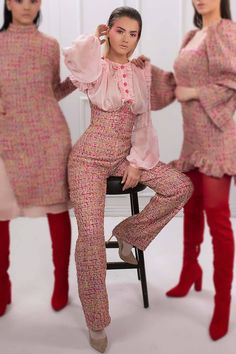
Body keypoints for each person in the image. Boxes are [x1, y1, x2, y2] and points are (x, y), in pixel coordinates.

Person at [63, 6, 193, 352]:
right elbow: (76, 59)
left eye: (133, 34)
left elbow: (143, 123)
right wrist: (96, 37)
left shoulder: (140, 72)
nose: (127, 40)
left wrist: (136, 161)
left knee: (180, 186)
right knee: (90, 235)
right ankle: (96, 321)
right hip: (88, 158)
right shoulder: (95, 68)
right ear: (110, 31)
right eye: (120, 31)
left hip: (126, 156)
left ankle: (126, 233)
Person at [163, 0, 236, 341]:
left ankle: (223, 303)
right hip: (192, 137)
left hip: (217, 137)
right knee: (190, 208)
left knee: (216, 216)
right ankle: (189, 271)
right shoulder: (192, 34)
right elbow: (176, 80)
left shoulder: (225, 31)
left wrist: (192, 92)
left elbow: (232, 79)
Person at [0, 0, 76, 316]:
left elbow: (51, 92)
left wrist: (82, 75)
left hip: (50, 136)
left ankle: (62, 284)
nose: (27, 6)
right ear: (7, 3)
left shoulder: (49, 46)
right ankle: (2, 288)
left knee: (57, 211)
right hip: (8, 137)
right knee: (2, 214)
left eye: (33, 0)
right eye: (19, 0)